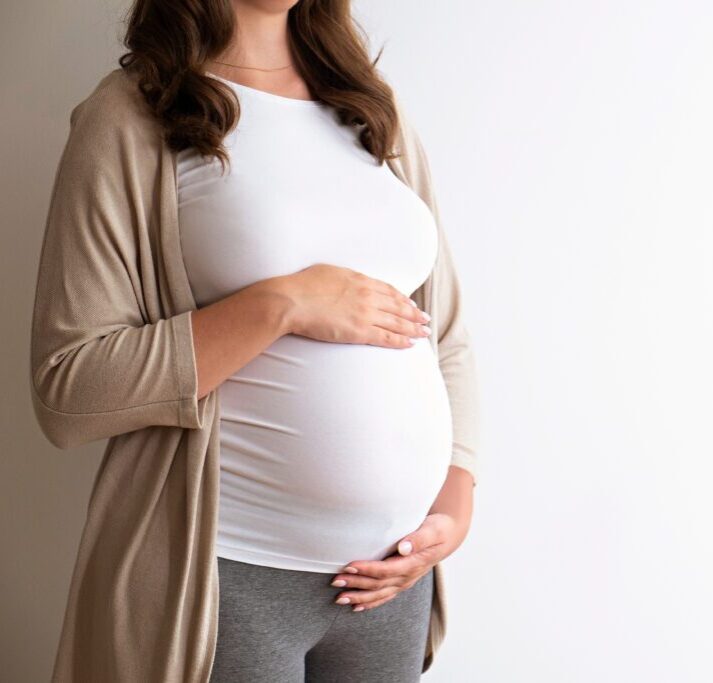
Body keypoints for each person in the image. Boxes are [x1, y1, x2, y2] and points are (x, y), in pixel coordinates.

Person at [29, 1, 480, 681]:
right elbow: (69, 387)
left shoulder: (368, 108)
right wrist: (282, 304)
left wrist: (454, 500)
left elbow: (444, 336)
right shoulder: (131, 116)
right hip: (228, 577)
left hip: (392, 581)